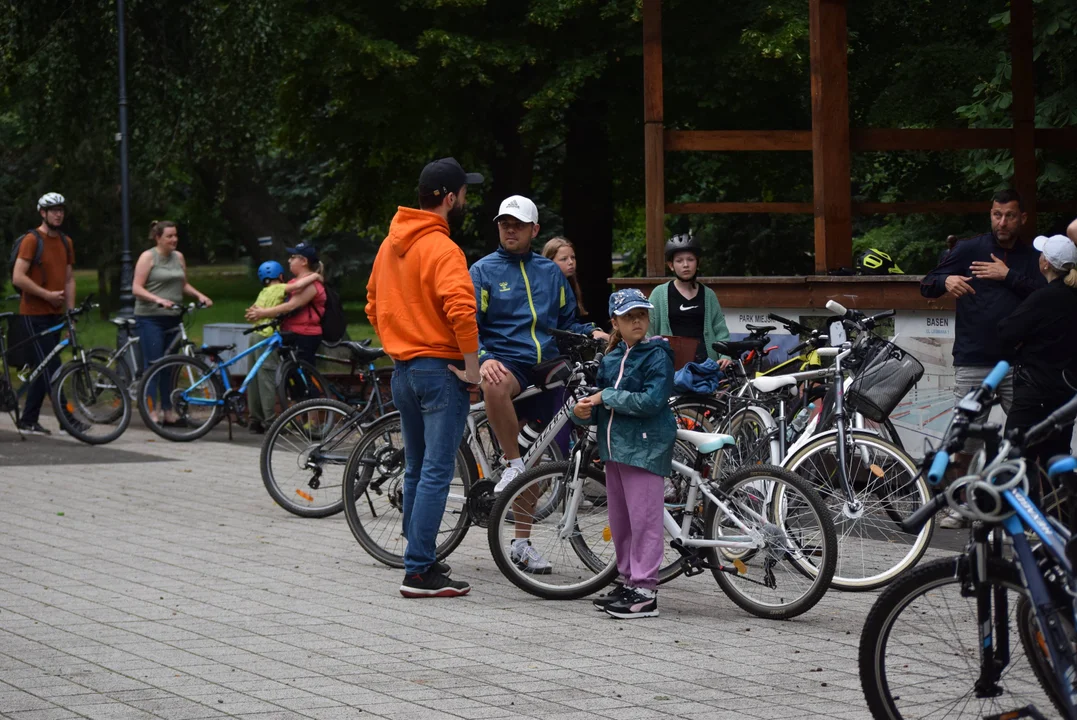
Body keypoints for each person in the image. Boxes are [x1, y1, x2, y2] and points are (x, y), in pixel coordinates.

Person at [365, 157, 483, 598]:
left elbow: (373, 304)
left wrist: (399, 338)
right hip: (440, 371)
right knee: (435, 471)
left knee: (416, 469)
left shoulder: (388, 245)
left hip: (402, 371)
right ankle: (418, 572)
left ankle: (419, 557)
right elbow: (461, 310)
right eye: (464, 193)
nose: (465, 199)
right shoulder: (443, 249)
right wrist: (472, 368)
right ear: (450, 198)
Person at [921, 189, 1045, 527]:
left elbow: (1048, 298)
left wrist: (1008, 277)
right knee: (966, 439)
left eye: (1009, 216)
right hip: (974, 359)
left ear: (1022, 218)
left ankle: (1024, 509)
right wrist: (946, 279)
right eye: (996, 214)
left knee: (1027, 438)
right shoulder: (970, 249)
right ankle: (958, 505)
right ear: (990, 215)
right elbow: (927, 284)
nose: (1002, 222)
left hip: (1021, 362)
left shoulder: (1034, 255)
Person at [573, 288, 675, 619]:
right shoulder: (613, 357)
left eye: (642, 315)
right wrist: (584, 410)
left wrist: (607, 397)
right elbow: (600, 402)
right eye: (629, 316)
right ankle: (629, 581)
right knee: (621, 521)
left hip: (646, 446)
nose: (637, 321)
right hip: (614, 449)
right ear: (614, 321)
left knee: (645, 520)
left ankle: (645, 589)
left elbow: (650, 401)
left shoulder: (657, 355)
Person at [997, 234, 1077, 492]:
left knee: (1015, 454)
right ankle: (1060, 521)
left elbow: (1007, 331)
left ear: (1045, 264)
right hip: (1067, 394)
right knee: (1057, 457)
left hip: (1034, 392)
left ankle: (1018, 519)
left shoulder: (1044, 298)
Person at [133, 221, 214, 425]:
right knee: (155, 364)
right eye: (169, 236)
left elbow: (183, 283)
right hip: (150, 317)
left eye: (175, 235)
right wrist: (158, 299)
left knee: (170, 366)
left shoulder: (178, 257)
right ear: (158, 238)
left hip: (174, 317)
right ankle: (152, 411)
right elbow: (136, 288)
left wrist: (200, 295)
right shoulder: (148, 257)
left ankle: (169, 411)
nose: (174, 239)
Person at [10, 193, 75, 435]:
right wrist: (45, 295)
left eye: (61, 209)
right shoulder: (32, 240)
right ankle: (67, 420)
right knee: (53, 366)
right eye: (53, 210)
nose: (58, 213)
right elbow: (18, 277)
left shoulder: (66, 242)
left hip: (56, 315)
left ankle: (28, 419)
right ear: (42, 213)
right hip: (33, 314)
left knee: (43, 365)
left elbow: (69, 279)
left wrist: (70, 312)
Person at [244, 261, 324, 434]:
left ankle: (254, 419)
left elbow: (251, 313)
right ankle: (271, 421)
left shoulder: (263, 292)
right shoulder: (278, 288)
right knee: (267, 377)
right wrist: (316, 276)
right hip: (266, 336)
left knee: (254, 379)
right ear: (280, 276)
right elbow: (298, 289)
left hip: (254, 335)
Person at [646, 233, 730, 365]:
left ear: (698, 262)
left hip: (706, 366)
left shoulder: (709, 295)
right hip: (671, 367)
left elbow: (721, 331)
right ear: (671, 265)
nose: (685, 265)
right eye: (679, 260)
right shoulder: (659, 294)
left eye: (690, 259)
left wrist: (726, 356)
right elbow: (648, 332)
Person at [244, 242, 326, 367]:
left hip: (304, 335)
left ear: (303, 261)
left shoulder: (311, 284)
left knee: (304, 378)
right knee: (289, 377)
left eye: (293, 257)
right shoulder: (294, 282)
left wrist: (262, 313)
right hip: (290, 334)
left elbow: (291, 306)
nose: (289, 260)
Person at [542, 237, 608, 339]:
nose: (571, 262)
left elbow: (567, 324)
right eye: (564, 259)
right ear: (549, 262)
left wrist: (592, 330)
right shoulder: (544, 287)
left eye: (573, 257)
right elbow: (558, 326)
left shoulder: (569, 283)